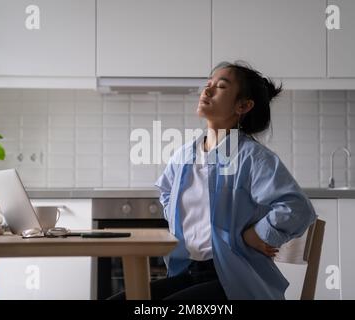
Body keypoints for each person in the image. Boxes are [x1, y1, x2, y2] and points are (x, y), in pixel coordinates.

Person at [111, 61, 316, 300]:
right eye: (208, 84)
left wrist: (256, 234)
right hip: (186, 272)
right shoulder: (185, 154)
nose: (206, 91)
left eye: (220, 86)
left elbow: (298, 208)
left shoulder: (253, 158)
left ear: (243, 105)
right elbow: (166, 191)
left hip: (235, 282)